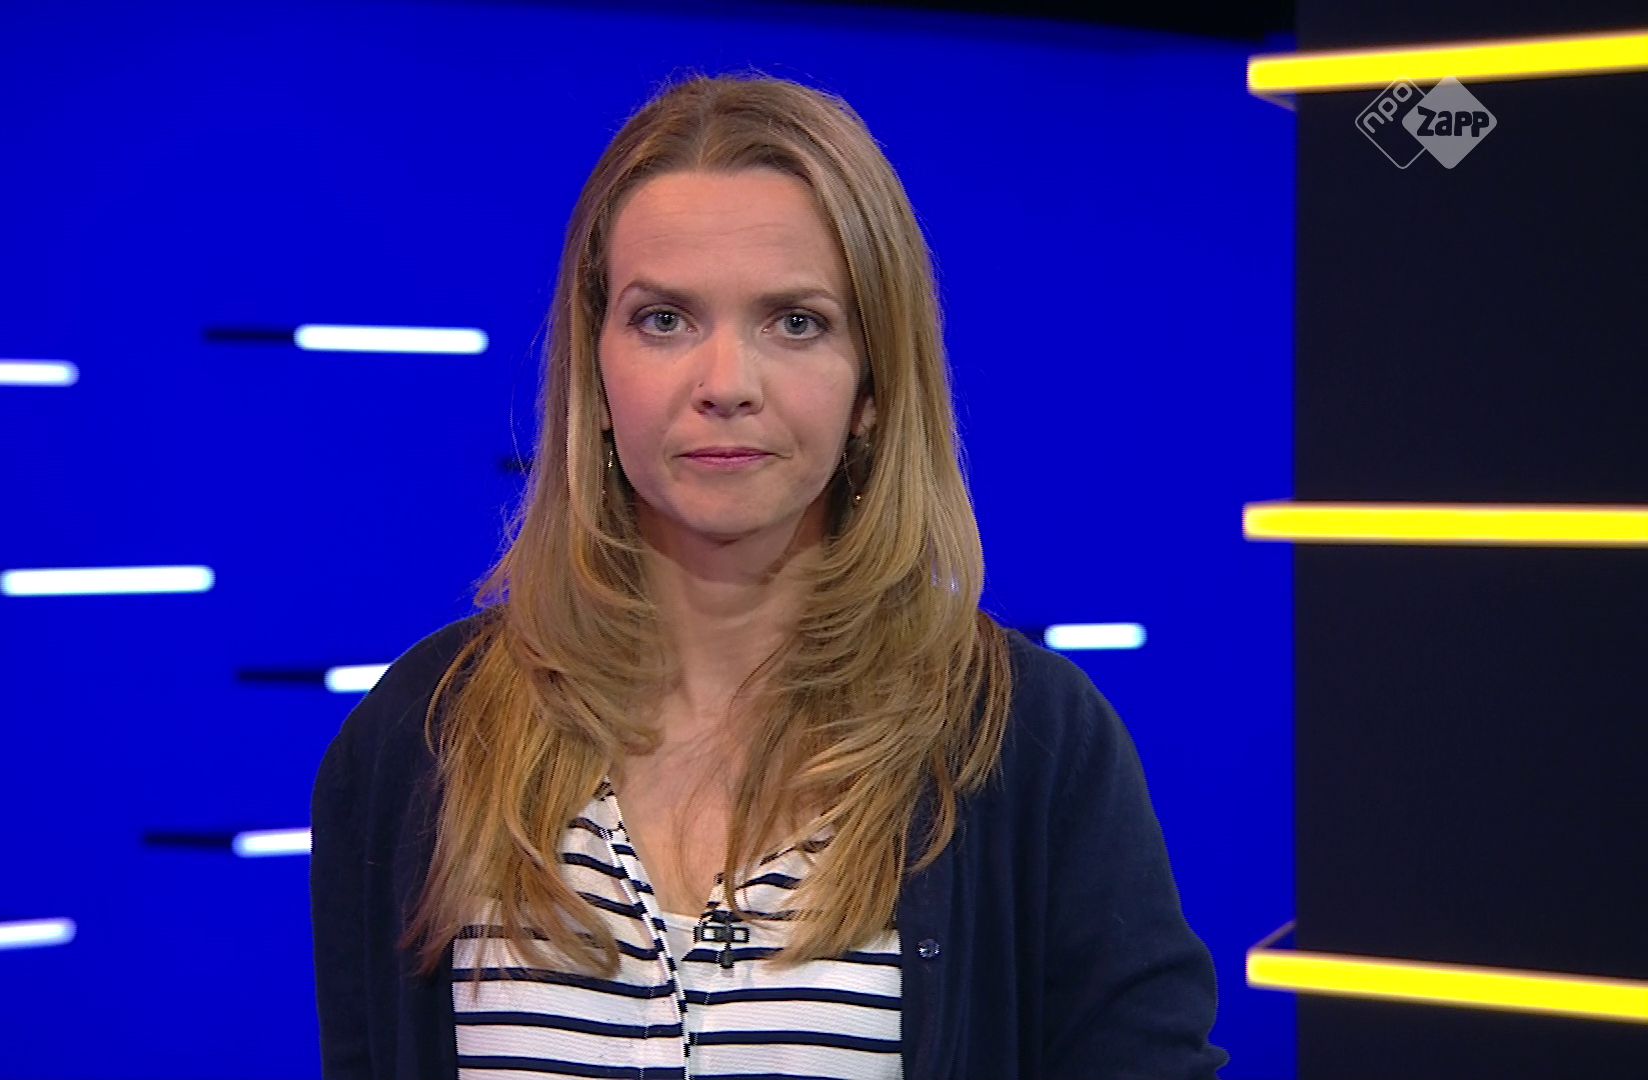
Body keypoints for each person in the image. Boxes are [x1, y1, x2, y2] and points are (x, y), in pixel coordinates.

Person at [311, 70, 1227, 1079]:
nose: (726, 385)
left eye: (795, 322)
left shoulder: (1028, 744)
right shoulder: (423, 737)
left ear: (873, 386)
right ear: (597, 371)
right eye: (665, 320)